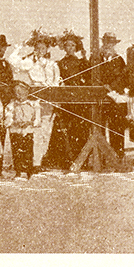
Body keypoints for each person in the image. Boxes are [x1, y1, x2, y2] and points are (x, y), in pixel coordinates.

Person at [8, 29, 60, 169]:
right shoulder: (29, 62)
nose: (40, 50)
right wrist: (19, 48)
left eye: (43, 48)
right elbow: (13, 62)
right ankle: (35, 162)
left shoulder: (52, 65)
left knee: (46, 131)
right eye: (37, 48)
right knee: (35, 130)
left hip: (48, 101)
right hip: (34, 101)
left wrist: (52, 86)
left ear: (47, 49)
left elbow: (56, 82)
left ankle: (41, 159)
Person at [42, 30, 91, 170]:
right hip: (66, 101)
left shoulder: (81, 62)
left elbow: (88, 79)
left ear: (76, 47)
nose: (69, 48)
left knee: (79, 129)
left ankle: (81, 159)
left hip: (78, 101)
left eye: (72, 46)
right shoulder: (60, 63)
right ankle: (64, 160)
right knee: (63, 130)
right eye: (67, 45)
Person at [90, 32, 127, 159]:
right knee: (99, 127)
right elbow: (91, 75)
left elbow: (123, 77)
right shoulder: (95, 60)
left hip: (114, 98)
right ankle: (101, 157)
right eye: (106, 42)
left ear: (114, 45)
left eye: (111, 43)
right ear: (103, 43)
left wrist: (111, 87)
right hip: (99, 97)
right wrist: (101, 86)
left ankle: (118, 156)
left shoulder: (119, 60)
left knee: (116, 127)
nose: (108, 45)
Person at [4, 80, 41, 179]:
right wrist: (15, 123)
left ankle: (29, 171)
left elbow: (37, 121)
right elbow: (7, 121)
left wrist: (29, 123)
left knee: (28, 151)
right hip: (15, 131)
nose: (19, 95)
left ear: (27, 93)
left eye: (22, 92)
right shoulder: (11, 106)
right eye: (17, 93)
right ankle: (18, 171)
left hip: (28, 131)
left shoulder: (34, 105)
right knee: (16, 151)